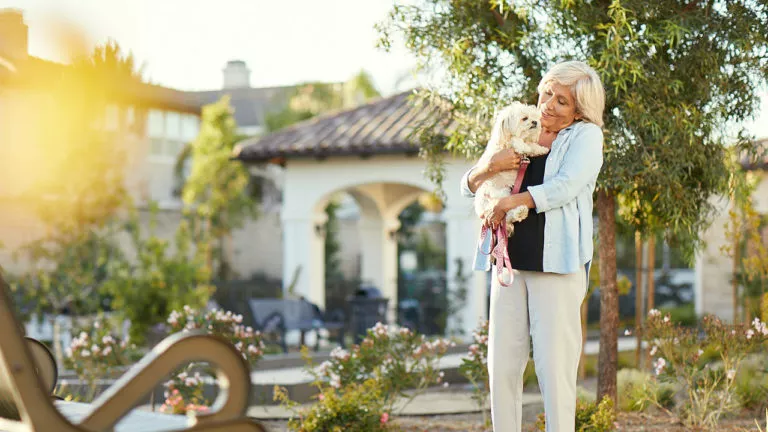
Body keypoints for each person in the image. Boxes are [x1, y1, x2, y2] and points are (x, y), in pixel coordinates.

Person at [460, 60, 605, 432]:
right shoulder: (516, 126)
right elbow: (470, 184)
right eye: (546, 94)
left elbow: (565, 187)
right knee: (502, 365)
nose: (548, 106)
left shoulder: (586, 137)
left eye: (562, 101)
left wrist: (510, 202)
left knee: (554, 367)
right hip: (507, 265)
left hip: (555, 267)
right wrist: (488, 166)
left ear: (579, 110)